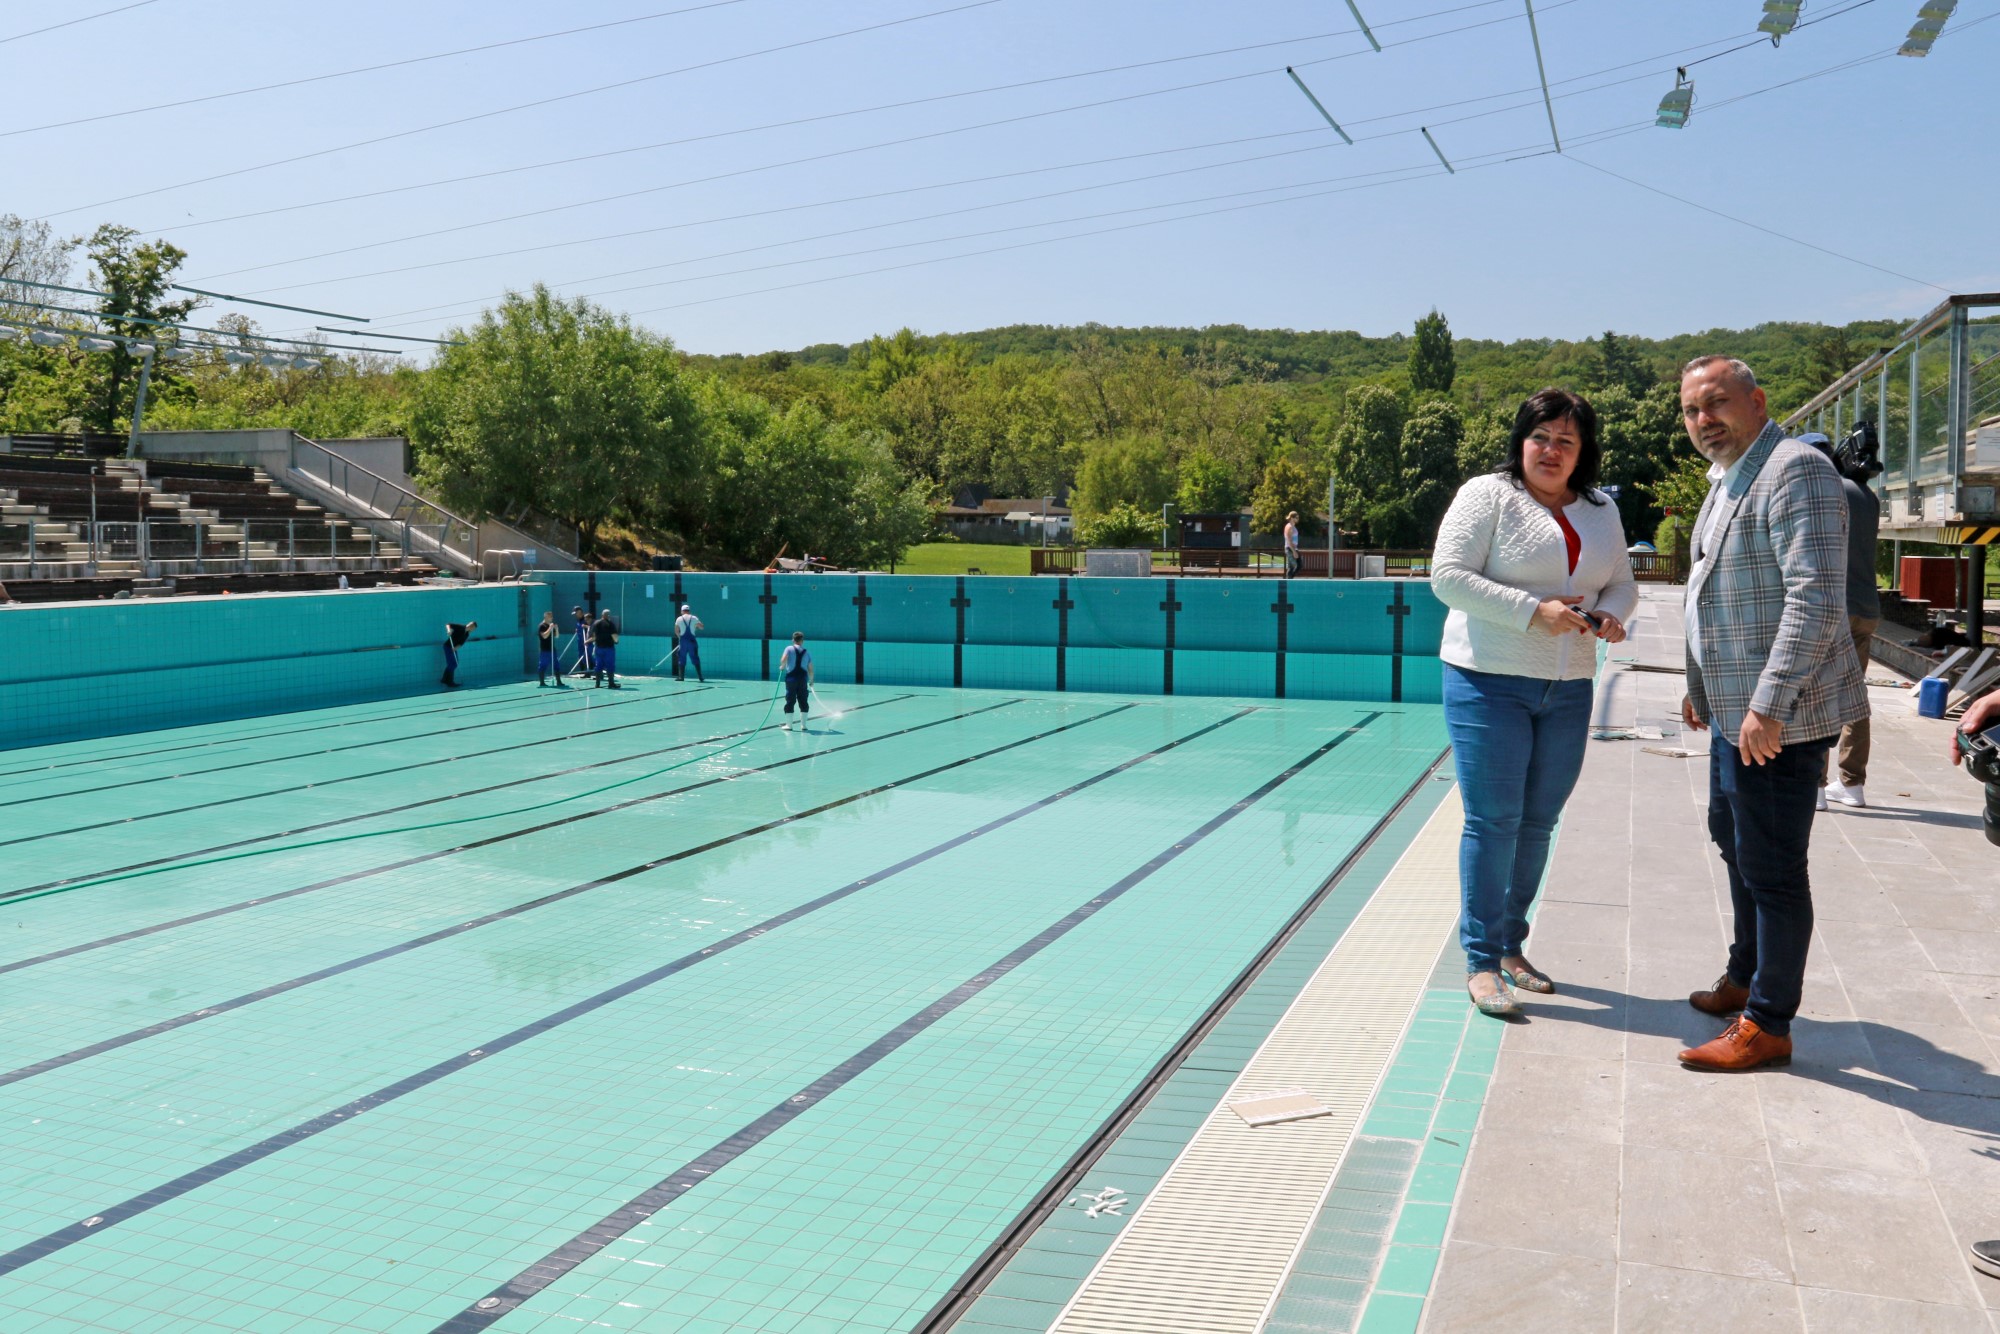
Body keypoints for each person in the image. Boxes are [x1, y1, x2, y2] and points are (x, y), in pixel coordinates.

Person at [1676, 356, 1867, 1073]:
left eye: (1717, 403)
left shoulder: (1795, 470)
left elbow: (1815, 599)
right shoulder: (1728, 478)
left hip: (1780, 716)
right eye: (1692, 410)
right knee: (1734, 841)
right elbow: (1709, 591)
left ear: (1757, 401)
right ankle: (1745, 973)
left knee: (1775, 868)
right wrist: (1700, 685)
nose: (1704, 420)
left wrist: (1768, 702)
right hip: (1734, 711)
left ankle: (1768, 1022)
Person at [1431, 388, 1637, 1018]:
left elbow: (1622, 583)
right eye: (1540, 437)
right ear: (1521, 442)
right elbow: (1448, 576)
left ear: (1582, 451)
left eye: (1565, 440)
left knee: (1539, 820)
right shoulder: (1487, 494)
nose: (1551, 450)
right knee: (1493, 820)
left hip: (1569, 685)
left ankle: (1511, 946)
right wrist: (1531, 611)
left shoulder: (1601, 509)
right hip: (1488, 679)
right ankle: (1480, 961)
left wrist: (1611, 615)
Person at [1813, 430, 1882, 810]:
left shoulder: (1828, 489)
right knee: (1854, 696)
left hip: (1833, 608)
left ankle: (1816, 786)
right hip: (1866, 609)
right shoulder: (1868, 497)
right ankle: (1852, 784)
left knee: (1817, 695)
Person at [779, 631, 813, 730]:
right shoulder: (806, 652)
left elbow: (783, 659)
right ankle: (803, 725)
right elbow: (810, 668)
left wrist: (782, 666)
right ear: (802, 641)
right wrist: (811, 680)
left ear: (793, 640)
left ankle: (789, 725)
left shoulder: (789, 648)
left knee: (790, 700)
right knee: (803, 700)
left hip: (791, 679)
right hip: (803, 679)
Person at [440, 619, 476, 689]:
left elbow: (461, 643)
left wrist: (456, 648)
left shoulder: (467, 634)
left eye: (473, 628)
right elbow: (448, 624)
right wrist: (449, 630)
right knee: (452, 664)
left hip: (453, 648)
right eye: (471, 626)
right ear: (469, 624)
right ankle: (450, 682)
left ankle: (444, 679)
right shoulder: (460, 627)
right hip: (448, 646)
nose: (471, 628)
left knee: (454, 664)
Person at [673, 604, 704, 683]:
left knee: (682, 658)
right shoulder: (694, 618)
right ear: (689, 611)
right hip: (692, 641)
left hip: (683, 641)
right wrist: (696, 626)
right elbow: (702, 627)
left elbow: (676, 631)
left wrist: (680, 638)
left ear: (682, 611)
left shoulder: (679, 619)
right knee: (695, 657)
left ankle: (681, 677)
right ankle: (700, 677)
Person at [591, 608, 620, 688]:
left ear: (602, 615)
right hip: (608, 648)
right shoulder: (610, 624)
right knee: (610, 665)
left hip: (598, 647)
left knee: (598, 665)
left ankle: (597, 683)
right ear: (608, 615)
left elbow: (593, 636)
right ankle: (611, 683)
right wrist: (616, 641)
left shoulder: (596, 623)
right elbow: (614, 636)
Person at [536, 610, 563, 688]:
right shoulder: (542, 626)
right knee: (542, 665)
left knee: (556, 664)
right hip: (545, 649)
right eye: (550, 617)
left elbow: (557, 636)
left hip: (552, 649)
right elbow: (544, 636)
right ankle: (542, 682)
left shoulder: (550, 625)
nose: (552, 618)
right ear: (546, 617)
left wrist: (556, 629)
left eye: (552, 617)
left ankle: (558, 681)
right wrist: (550, 628)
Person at [569, 605, 594, 678]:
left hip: (587, 642)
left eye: (576, 613)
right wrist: (577, 630)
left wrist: (586, 627)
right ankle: (584, 672)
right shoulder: (578, 620)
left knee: (587, 657)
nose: (576, 615)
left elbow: (592, 628)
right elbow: (579, 627)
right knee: (581, 657)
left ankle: (590, 672)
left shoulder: (586, 619)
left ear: (580, 612)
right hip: (580, 642)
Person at [1283, 511, 1301, 579]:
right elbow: (1289, 540)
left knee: (1293, 567)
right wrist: (1294, 551)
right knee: (1295, 566)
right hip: (1290, 548)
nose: (1298, 519)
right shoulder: (1289, 527)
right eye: (1296, 517)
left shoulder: (1293, 526)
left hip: (1294, 548)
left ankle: (1289, 579)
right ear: (1292, 518)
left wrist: (1295, 550)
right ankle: (1289, 580)